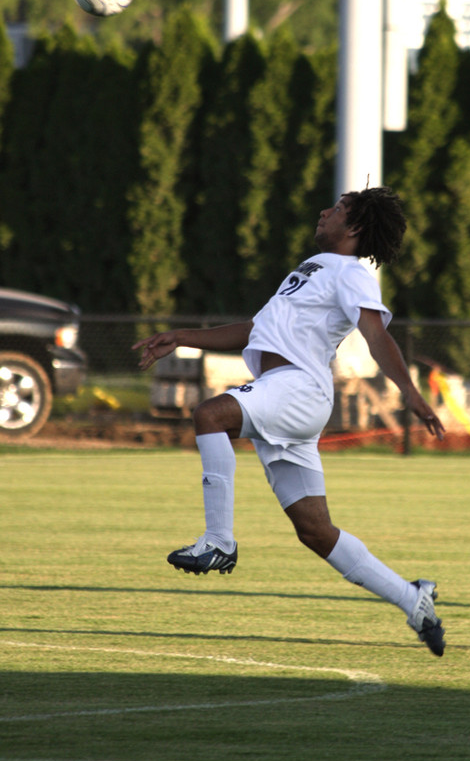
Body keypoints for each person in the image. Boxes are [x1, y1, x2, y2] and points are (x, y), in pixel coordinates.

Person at [133, 187, 446, 657]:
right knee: (316, 532)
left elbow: (377, 337)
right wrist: (182, 336)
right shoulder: (311, 268)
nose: (324, 211)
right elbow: (254, 330)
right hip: (286, 395)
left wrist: (413, 395)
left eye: (338, 209)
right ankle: (412, 598)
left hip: (298, 389)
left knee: (209, 414)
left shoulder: (351, 272)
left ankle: (218, 542)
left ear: (355, 228)